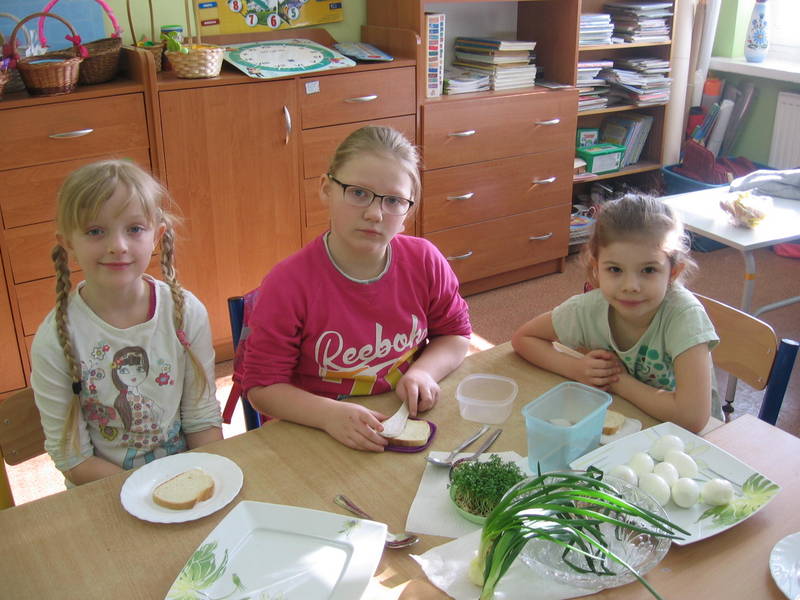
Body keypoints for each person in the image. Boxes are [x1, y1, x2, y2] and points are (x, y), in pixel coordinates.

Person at [242, 126, 472, 451]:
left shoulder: (425, 261)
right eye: (359, 193)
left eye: (393, 200)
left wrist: (423, 373)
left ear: (408, 210)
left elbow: (455, 335)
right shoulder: (288, 284)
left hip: (400, 413)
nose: (374, 214)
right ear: (326, 189)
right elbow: (262, 389)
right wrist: (328, 415)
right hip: (318, 428)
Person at [31, 160, 223, 485]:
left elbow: (201, 419)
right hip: (103, 488)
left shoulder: (186, 312)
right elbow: (73, 458)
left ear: (157, 235)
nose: (117, 246)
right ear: (68, 242)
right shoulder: (54, 340)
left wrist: (206, 480)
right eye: (95, 231)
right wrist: (148, 491)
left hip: (183, 479)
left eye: (134, 229)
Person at [511, 194, 720, 432]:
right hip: (631, 419)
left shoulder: (685, 317)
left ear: (673, 272)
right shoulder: (590, 308)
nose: (630, 286)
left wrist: (618, 381)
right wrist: (575, 368)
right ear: (596, 268)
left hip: (696, 438)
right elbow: (524, 338)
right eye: (615, 269)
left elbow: (692, 418)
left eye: (648, 270)